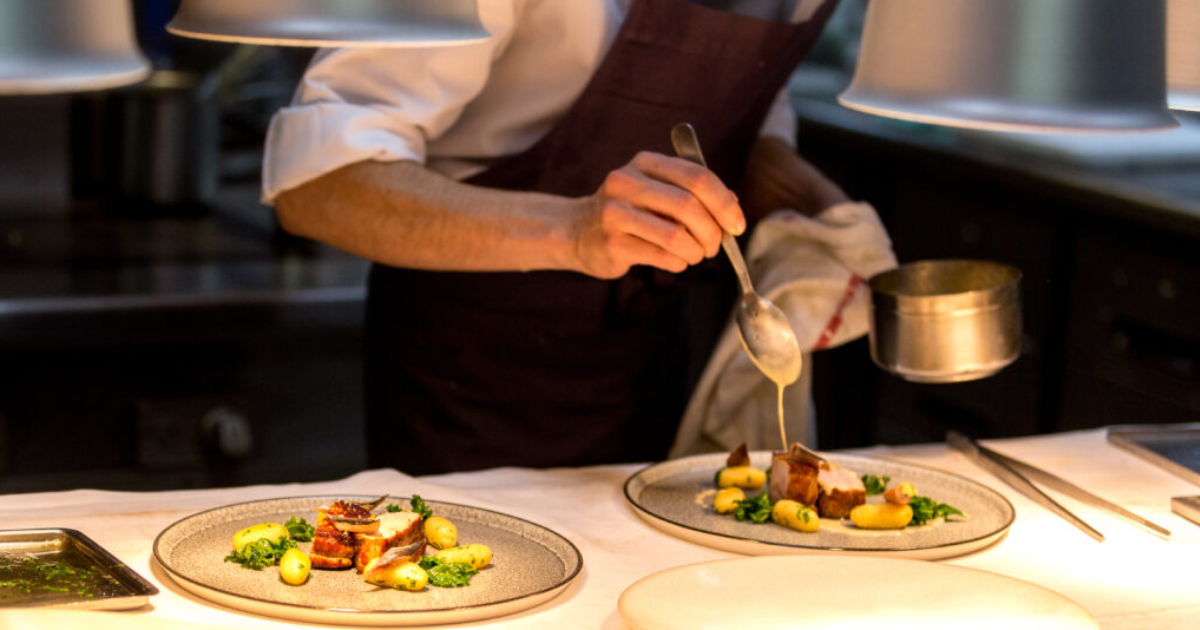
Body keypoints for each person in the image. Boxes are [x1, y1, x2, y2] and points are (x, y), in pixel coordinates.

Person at [263, 0, 853, 474]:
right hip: (470, 385)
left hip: (644, 377)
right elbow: (319, 184)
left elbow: (746, 119)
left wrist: (835, 220)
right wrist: (572, 229)